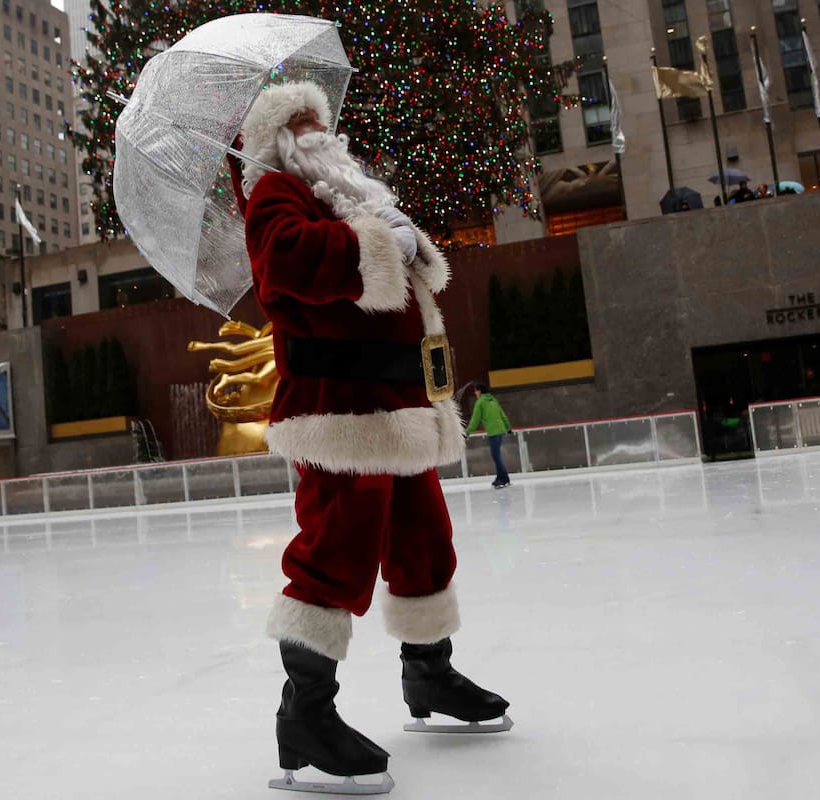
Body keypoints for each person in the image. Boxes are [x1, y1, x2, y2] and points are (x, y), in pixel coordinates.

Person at [228, 81, 510, 790]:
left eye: (319, 119)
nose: (318, 129)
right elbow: (285, 265)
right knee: (336, 552)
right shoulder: (275, 198)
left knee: (424, 541)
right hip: (342, 411)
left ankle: (430, 676)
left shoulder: (345, 191)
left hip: (398, 399)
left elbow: (397, 265)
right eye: (300, 122)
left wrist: (391, 228)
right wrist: (380, 241)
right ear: (277, 139)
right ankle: (304, 714)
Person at [466, 383, 512, 488]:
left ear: (479, 391)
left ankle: (504, 478)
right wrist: (508, 427)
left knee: (496, 456)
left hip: (494, 431)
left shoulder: (480, 402)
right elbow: (502, 414)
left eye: (475, 391)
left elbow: (475, 420)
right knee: (496, 455)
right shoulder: (493, 400)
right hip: (500, 430)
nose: (475, 393)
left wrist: (467, 432)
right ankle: (500, 477)